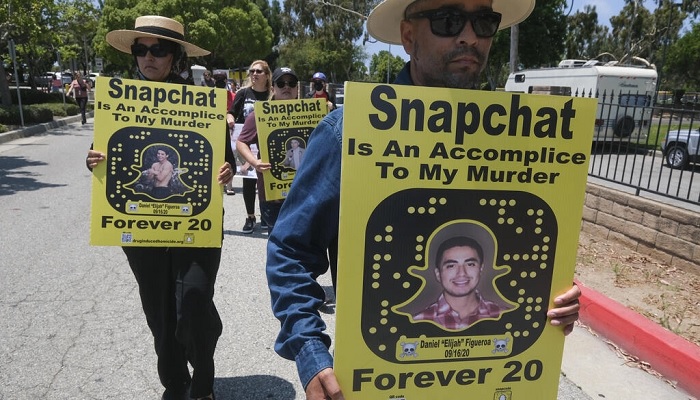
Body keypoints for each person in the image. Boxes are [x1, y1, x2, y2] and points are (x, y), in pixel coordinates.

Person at [266, 0, 582, 398]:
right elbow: (291, 250)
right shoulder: (348, 131)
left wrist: (552, 297)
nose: (469, 36)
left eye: (484, 22)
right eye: (448, 20)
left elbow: (525, 254)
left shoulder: (523, 137)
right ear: (408, 36)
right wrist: (311, 354)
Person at [85, 15, 235, 400]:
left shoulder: (205, 105)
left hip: (195, 223)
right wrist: (95, 161)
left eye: (158, 49)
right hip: (140, 227)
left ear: (176, 56)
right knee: (160, 313)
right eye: (140, 49)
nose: (148, 57)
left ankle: (203, 384)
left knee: (194, 302)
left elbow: (226, 161)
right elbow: (110, 161)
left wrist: (225, 170)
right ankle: (175, 382)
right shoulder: (119, 103)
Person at [236, 67, 299, 234]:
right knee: (278, 243)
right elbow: (241, 142)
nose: (287, 87)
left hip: (303, 194)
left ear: (297, 88)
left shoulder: (313, 113)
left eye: (291, 83)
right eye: (281, 83)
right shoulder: (260, 113)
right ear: (273, 89)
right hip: (273, 195)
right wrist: (255, 163)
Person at [413, 236, 502, 329]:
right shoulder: (418, 322)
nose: (462, 273)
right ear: (438, 274)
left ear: (481, 269)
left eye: (470, 264)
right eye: (451, 266)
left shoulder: (503, 315)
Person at [227, 60, 272, 234]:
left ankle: (267, 216)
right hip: (245, 143)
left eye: (259, 71)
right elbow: (232, 112)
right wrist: (229, 117)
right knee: (248, 180)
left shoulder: (272, 95)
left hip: (265, 144)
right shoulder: (243, 93)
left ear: (267, 75)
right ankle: (250, 216)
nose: (254, 74)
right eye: (252, 71)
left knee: (265, 180)